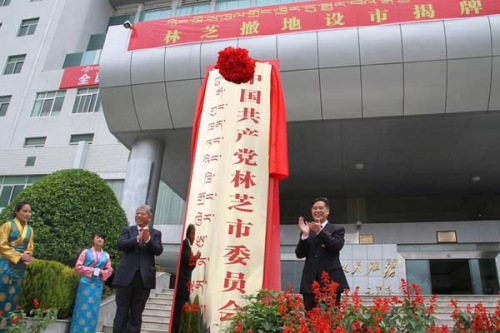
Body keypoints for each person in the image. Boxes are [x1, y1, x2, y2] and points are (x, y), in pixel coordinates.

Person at [112, 205, 163, 333]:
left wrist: (148, 240)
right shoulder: (128, 230)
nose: (138, 216)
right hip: (125, 278)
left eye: (142, 214)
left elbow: (158, 250)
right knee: (121, 313)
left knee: (136, 314)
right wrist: (137, 239)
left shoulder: (156, 233)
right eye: (137, 213)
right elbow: (121, 244)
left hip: (143, 280)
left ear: (149, 218)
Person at [295, 197, 349, 311]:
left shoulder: (337, 229)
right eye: (315, 208)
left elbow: (336, 246)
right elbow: (299, 254)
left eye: (321, 208)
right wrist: (304, 236)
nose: (317, 210)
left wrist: (319, 231)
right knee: (310, 319)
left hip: (331, 283)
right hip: (310, 283)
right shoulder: (307, 230)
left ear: (328, 211)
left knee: (330, 319)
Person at [0, 201, 35, 332]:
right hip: (5, 266)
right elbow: (2, 245)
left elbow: (29, 247)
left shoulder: (30, 230)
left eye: (29, 211)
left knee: (13, 299)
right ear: (16, 211)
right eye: (24, 211)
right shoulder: (7, 225)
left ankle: (8, 329)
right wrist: (20, 256)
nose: (27, 214)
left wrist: (27, 255)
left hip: (19, 269)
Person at [70, 232, 113, 333]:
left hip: (97, 284)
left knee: (93, 309)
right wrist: (92, 270)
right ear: (93, 240)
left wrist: (103, 272)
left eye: (102, 238)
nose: (100, 240)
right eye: (98, 238)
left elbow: (109, 269)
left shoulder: (106, 255)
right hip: (85, 283)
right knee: (81, 308)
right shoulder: (86, 252)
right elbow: (78, 266)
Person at [171, 224, 201, 333]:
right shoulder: (185, 245)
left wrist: (194, 259)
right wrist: (196, 257)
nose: (194, 238)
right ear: (191, 234)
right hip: (181, 286)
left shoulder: (187, 246)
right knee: (177, 315)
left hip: (183, 286)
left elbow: (188, 267)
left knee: (179, 314)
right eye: (194, 235)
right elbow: (187, 263)